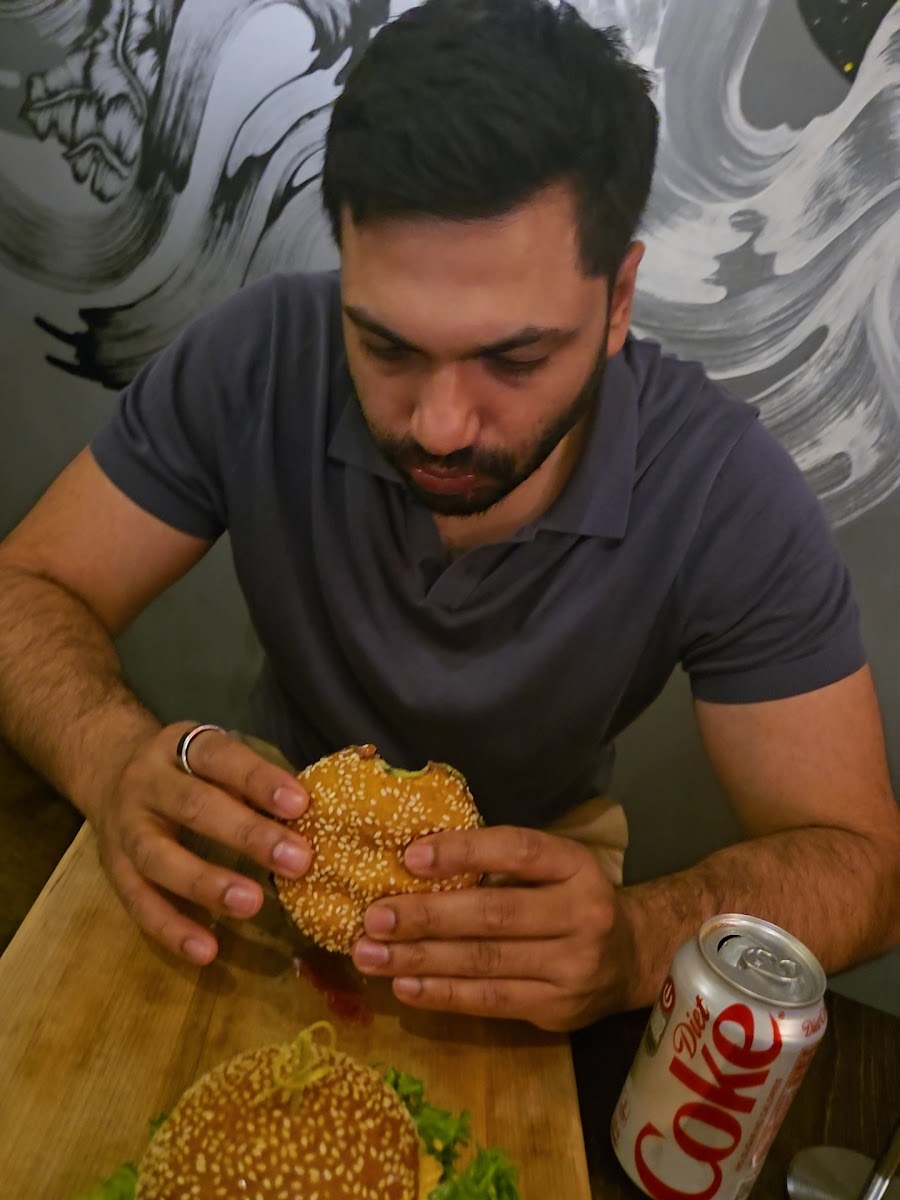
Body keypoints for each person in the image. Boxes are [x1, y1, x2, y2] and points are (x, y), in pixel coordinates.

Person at [0, 0, 897, 1034]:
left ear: (618, 302)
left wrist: (638, 938)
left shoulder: (722, 485)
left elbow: (867, 864)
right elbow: (26, 586)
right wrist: (109, 754)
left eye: (514, 358)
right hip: (264, 858)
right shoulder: (258, 356)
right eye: (385, 346)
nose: (438, 427)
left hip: (543, 905)